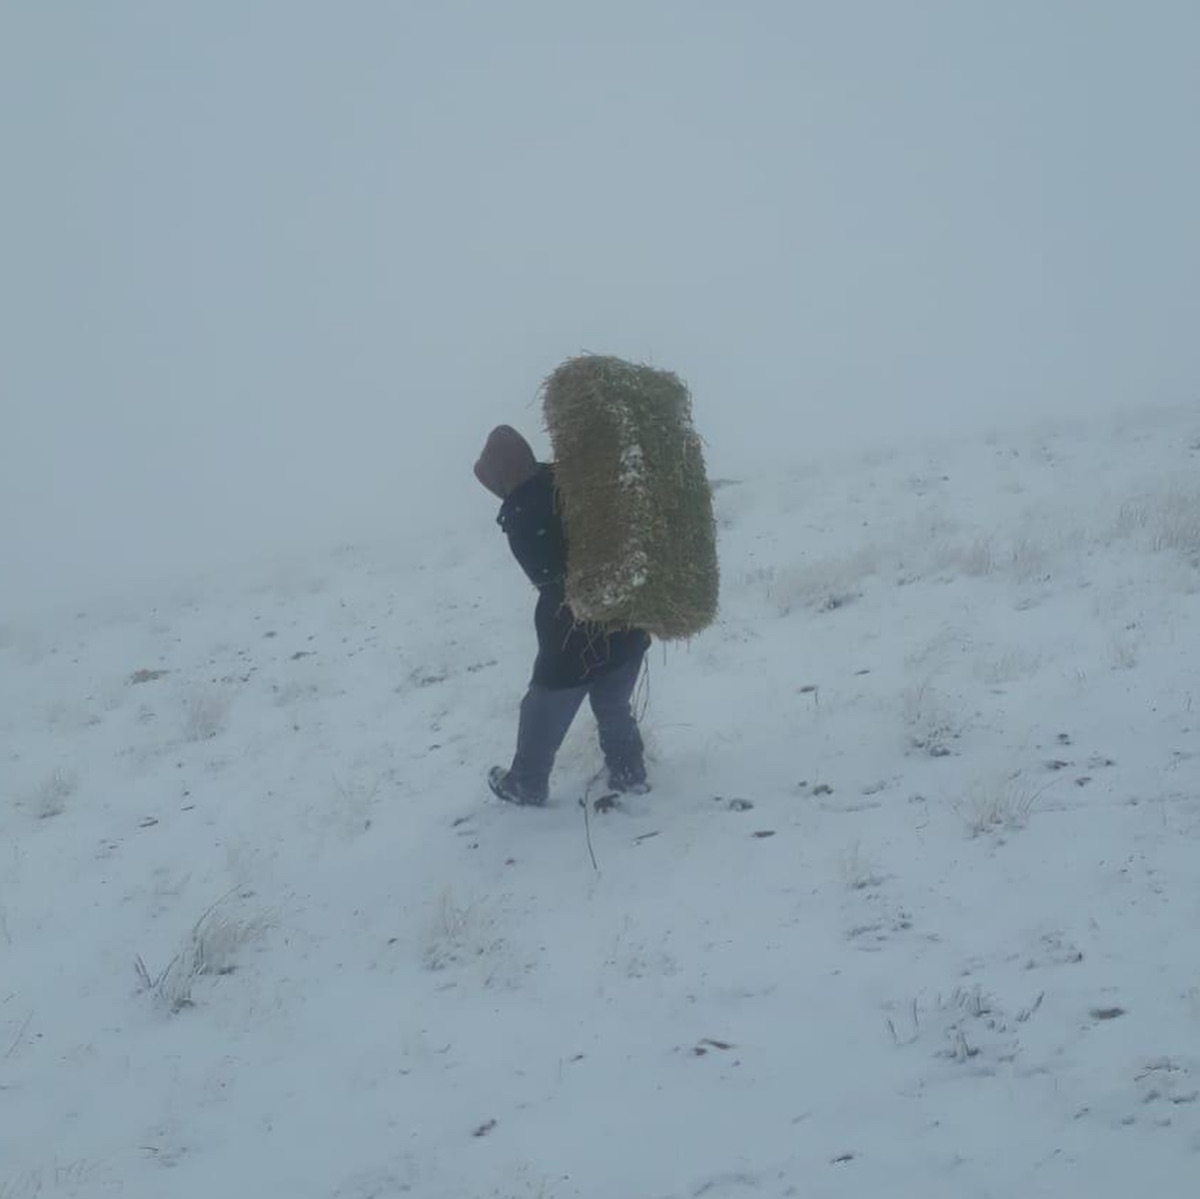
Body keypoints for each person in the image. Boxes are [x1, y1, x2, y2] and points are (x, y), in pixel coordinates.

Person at [474, 425, 651, 806]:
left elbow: (553, 581)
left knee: (541, 708)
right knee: (613, 703)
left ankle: (527, 783)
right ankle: (629, 771)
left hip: (575, 637)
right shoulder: (566, 477)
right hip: (625, 618)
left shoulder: (523, 515)